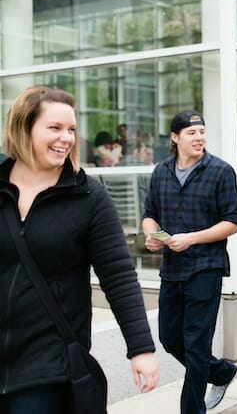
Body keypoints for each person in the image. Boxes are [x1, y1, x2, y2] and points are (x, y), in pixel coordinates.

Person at [0, 86, 159, 412]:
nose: (67, 138)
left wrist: (140, 348)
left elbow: (118, 275)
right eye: (55, 128)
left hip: (49, 363)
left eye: (71, 129)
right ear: (23, 128)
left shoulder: (87, 196)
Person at [142, 110, 237, 413]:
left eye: (202, 132)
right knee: (170, 338)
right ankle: (221, 372)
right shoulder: (161, 172)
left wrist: (191, 238)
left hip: (206, 268)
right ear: (175, 138)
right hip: (172, 269)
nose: (199, 137)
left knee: (196, 345)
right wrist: (153, 237)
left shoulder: (220, 171)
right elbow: (149, 215)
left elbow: (232, 222)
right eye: (191, 133)